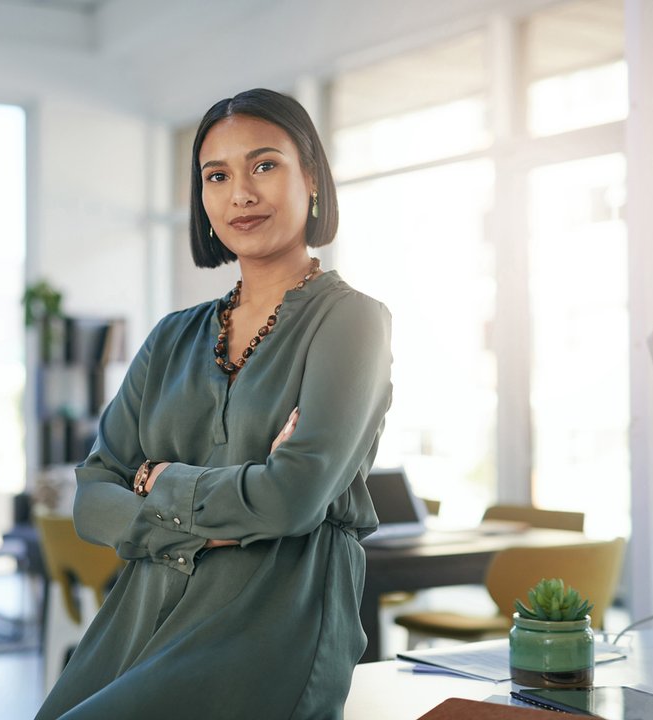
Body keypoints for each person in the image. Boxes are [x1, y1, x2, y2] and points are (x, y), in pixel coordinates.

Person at [35, 88, 393, 720]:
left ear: (311, 176)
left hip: (274, 617)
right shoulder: (171, 336)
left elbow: (293, 499)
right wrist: (224, 502)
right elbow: (92, 496)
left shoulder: (352, 323)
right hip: (141, 609)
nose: (241, 194)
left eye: (264, 165)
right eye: (216, 176)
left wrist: (158, 483)